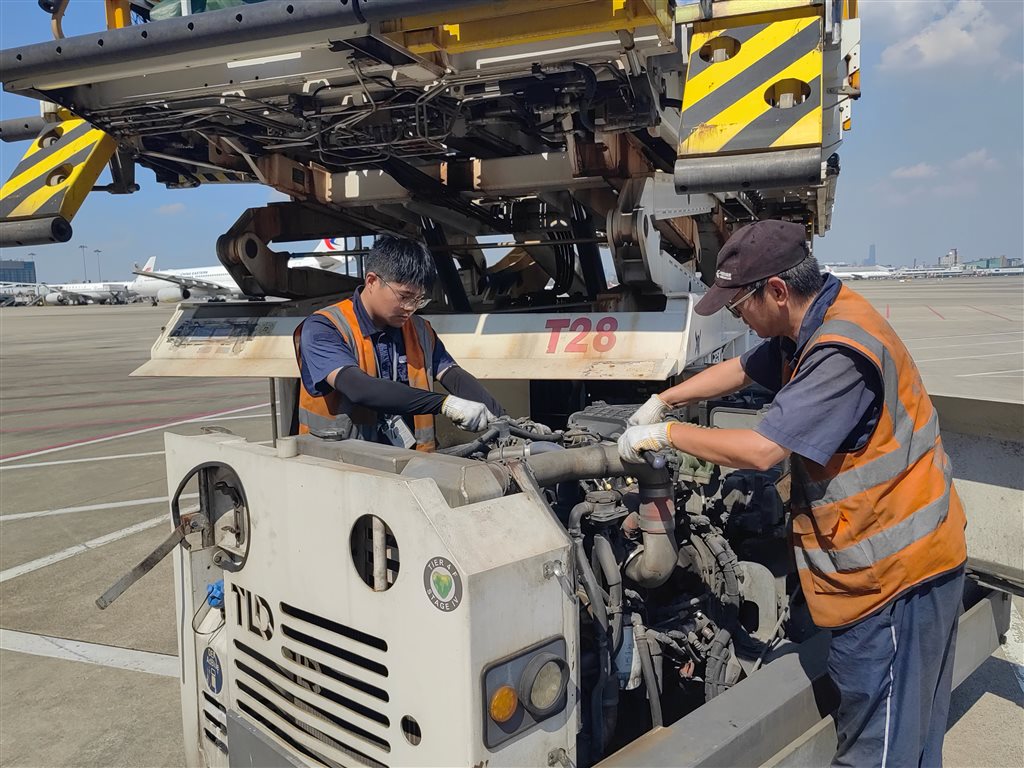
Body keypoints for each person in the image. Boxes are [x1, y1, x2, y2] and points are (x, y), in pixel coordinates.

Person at [618, 220, 967, 767]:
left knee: (879, 748)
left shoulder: (839, 353)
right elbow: (739, 369)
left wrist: (666, 436)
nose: (742, 320)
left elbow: (762, 451)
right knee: (911, 737)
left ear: (776, 292)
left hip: (898, 579)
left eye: (740, 309)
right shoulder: (811, 321)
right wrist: (664, 400)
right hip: (898, 564)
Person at [294, 235, 504, 451]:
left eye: (419, 299)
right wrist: (444, 404)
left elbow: (453, 376)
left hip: (409, 467)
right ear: (372, 281)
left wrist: (504, 420)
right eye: (404, 296)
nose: (411, 307)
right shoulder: (325, 327)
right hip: (340, 468)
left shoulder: (420, 330)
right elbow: (358, 387)